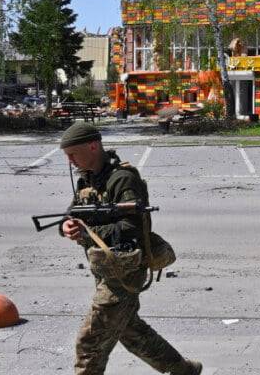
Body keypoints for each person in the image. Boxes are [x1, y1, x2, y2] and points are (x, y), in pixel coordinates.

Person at [58, 122, 201, 375]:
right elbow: (73, 214)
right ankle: (183, 370)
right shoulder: (87, 180)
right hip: (106, 267)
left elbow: (133, 227)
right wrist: (67, 226)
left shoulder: (122, 179)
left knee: (90, 343)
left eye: (73, 154)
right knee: (131, 331)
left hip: (125, 270)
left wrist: (88, 233)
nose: (70, 161)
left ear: (92, 146)